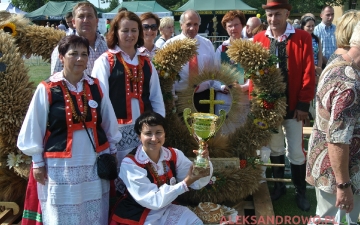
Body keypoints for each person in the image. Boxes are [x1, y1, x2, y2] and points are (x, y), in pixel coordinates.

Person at [17, 35, 122, 225]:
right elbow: (34, 126)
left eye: (84, 54)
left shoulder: (95, 86)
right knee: (63, 211)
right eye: (73, 54)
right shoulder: (48, 88)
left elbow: (108, 122)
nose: (79, 59)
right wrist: (37, 162)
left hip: (93, 162)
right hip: (61, 166)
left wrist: (112, 150)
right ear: (61, 57)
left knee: (93, 209)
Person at [252, 0, 315, 212]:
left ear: (287, 14)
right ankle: (279, 186)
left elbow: (308, 72)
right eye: (270, 15)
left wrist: (303, 104)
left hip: (294, 107)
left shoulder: (302, 37)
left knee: (296, 151)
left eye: (277, 14)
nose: (273, 19)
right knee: (276, 147)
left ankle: (300, 191)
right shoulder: (259, 39)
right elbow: (253, 76)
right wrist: (257, 104)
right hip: (269, 108)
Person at [91, 11, 165, 181]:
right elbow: (101, 100)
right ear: (115, 32)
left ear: (139, 32)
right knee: (119, 174)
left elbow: (156, 97)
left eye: (134, 30)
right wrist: (109, 133)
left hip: (144, 130)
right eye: (125, 30)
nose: (130, 35)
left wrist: (158, 128)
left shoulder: (146, 62)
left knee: (145, 173)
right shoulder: (105, 61)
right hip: (116, 131)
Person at [109, 111, 212, 225]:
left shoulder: (173, 155)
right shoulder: (130, 163)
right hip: (138, 214)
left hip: (165, 209)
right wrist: (186, 182)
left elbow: (197, 183)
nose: (154, 138)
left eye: (158, 132)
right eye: (148, 133)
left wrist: (203, 160)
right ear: (139, 137)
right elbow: (152, 201)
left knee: (193, 222)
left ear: (164, 134)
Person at [306, 21, 360, 224]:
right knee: (337, 220)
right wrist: (343, 186)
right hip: (340, 175)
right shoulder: (350, 84)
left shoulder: (338, 62)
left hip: (330, 169)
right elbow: (338, 139)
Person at [164, 10, 218, 113]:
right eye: (188, 24)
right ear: (181, 25)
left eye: (195, 24)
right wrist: (171, 97)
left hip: (204, 97)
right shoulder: (170, 45)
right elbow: (166, 74)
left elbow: (214, 70)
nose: (192, 28)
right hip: (180, 97)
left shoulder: (207, 44)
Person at [51, 2, 108, 76]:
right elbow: (55, 81)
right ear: (74, 22)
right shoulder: (63, 48)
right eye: (81, 16)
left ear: (97, 21)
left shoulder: (109, 46)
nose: (86, 20)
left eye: (89, 16)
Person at [214, 10, 248, 128]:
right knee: (224, 133)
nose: (233, 28)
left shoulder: (250, 46)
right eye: (230, 26)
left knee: (242, 132)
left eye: (236, 24)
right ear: (226, 28)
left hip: (244, 98)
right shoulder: (221, 49)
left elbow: (256, 73)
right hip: (224, 98)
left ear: (242, 25)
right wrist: (223, 86)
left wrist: (244, 87)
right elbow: (214, 73)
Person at [301, 16, 323, 80]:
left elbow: (320, 56)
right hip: (305, 70)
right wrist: (314, 67)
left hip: (316, 72)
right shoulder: (300, 40)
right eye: (308, 26)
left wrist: (319, 69)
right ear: (303, 26)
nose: (311, 28)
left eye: (313, 26)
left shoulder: (316, 39)